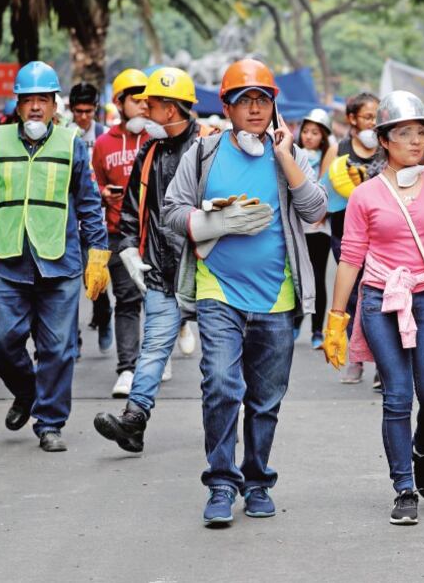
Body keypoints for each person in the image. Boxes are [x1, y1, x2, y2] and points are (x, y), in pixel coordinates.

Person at [163, 58, 327, 527]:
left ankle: (256, 481)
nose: (255, 109)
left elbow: (315, 210)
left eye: (263, 100)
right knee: (220, 384)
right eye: (244, 100)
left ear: (274, 106)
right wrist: (210, 221)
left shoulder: (289, 154)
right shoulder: (203, 153)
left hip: (277, 295)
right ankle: (220, 482)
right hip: (218, 289)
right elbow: (171, 212)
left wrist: (287, 158)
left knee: (265, 399)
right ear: (227, 108)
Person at [324, 90, 424, 526]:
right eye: (405, 133)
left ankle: (421, 451)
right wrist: (337, 317)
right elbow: (350, 258)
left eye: (421, 132)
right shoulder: (365, 195)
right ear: (384, 140)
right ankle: (404, 488)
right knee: (396, 395)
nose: (416, 141)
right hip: (380, 300)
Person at [0, 61, 110, 452]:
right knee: (2, 341)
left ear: (55, 104)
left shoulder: (71, 144)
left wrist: (97, 252)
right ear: (18, 105)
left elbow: (89, 204)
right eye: (28, 99)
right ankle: (26, 391)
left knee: (59, 349)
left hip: (60, 263)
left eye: (43, 99)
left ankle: (49, 423)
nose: (36, 107)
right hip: (8, 262)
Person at [92, 66, 203, 450]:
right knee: (154, 345)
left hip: (208, 272)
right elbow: (131, 208)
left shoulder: (209, 148)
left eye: (150, 104)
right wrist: (126, 246)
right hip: (160, 269)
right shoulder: (150, 151)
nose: (144, 110)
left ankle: (226, 419)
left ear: (169, 110)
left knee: (220, 355)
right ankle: (134, 420)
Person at [91, 69, 150, 397]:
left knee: (158, 301)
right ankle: (128, 368)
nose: (143, 105)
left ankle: (155, 355)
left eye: (146, 100)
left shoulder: (158, 140)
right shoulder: (103, 144)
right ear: (119, 102)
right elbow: (92, 186)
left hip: (154, 235)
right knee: (126, 301)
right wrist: (103, 193)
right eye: (136, 100)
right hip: (117, 234)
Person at [322, 92, 380, 384]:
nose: (373, 123)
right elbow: (320, 193)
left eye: (377, 117)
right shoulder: (339, 150)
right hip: (345, 234)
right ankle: (356, 359)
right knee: (353, 295)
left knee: (382, 295)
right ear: (352, 119)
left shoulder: (387, 148)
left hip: (382, 236)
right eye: (368, 117)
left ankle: (383, 362)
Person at [70, 82, 112, 351]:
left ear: (96, 109)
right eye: (78, 111)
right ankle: (71, 340)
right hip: (68, 218)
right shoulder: (63, 135)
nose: (83, 116)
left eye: (88, 111)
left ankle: (104, 315)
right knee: (66, 285)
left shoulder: (104, 136)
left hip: (97, 217)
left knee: (94, 276)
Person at [294, 107, 334, 349]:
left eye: (315, 132)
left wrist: (323, 212)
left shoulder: (329, 160)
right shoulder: (292, 155)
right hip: (297, 226)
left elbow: (333, 189)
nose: (309, 136)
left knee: (318, 277)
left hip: (320, 227)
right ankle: (296, 321)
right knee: (297, 276)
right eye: (306, 131)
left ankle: (317, 330)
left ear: (324, 137)